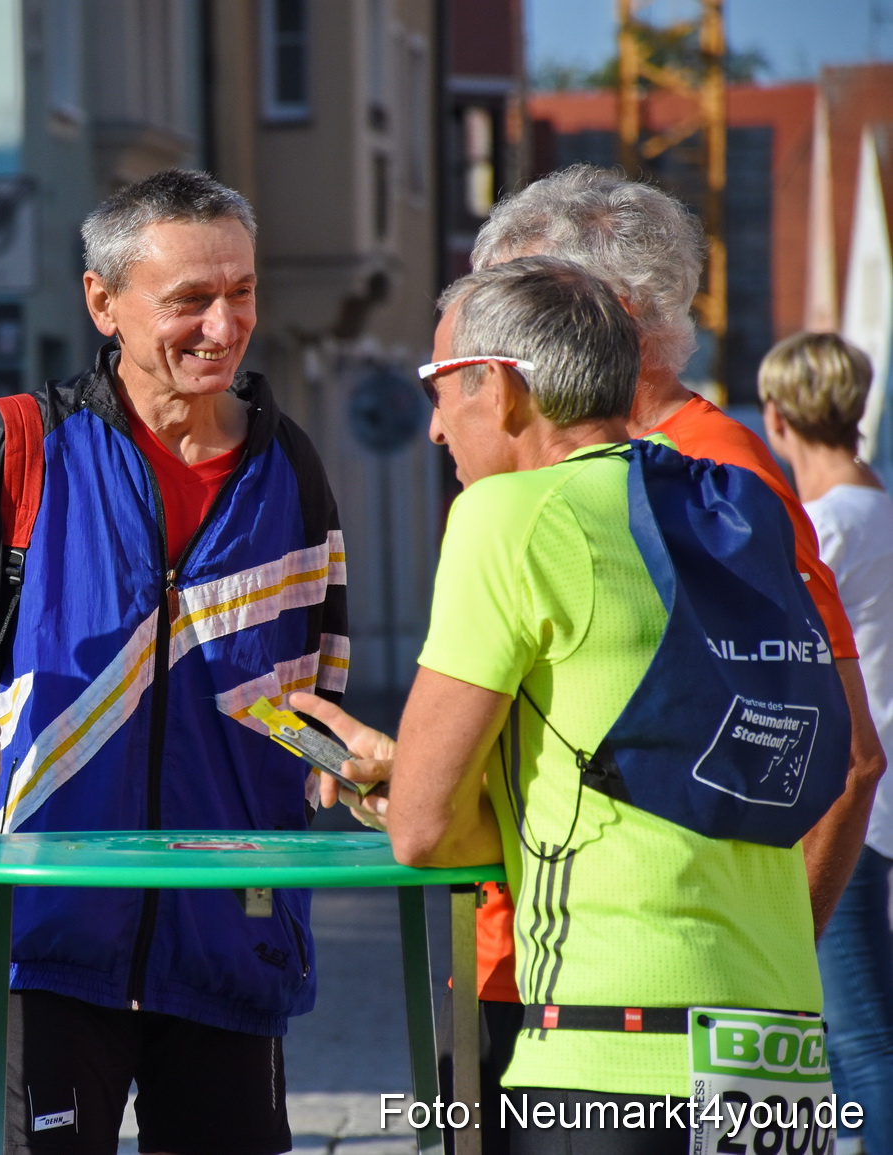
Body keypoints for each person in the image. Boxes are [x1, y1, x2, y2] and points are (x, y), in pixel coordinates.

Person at [299, 256, 835, 1154]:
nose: (433, 428)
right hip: (776, 1043)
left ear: (502, 388)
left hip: (606, 1043)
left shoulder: (507, 514)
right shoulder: (731, 502)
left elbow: (426, 832)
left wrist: (418, 786)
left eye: (438, 387)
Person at [450, 164, 886, 1133]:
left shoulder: (711, 477)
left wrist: (755, 973)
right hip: (568, 968)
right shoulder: (601, 479)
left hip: (602, 1003)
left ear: (608, 315)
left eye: (515, 308)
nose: (483, 358)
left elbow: (845, 756)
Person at [0, 169, 349, 1155]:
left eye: (240, 292)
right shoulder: (18, 449)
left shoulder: (289, 468)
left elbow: (318, 701)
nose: (223, 324)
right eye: (189, 300)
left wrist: (360, 778)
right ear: (101, 302)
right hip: (43, 938)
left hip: (233, 940)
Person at [760, 331, 893, 1155]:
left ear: (777, 419)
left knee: (855, 1038)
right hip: (880, 796)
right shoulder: (877, 504)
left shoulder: (822, 528)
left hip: (849, 799)